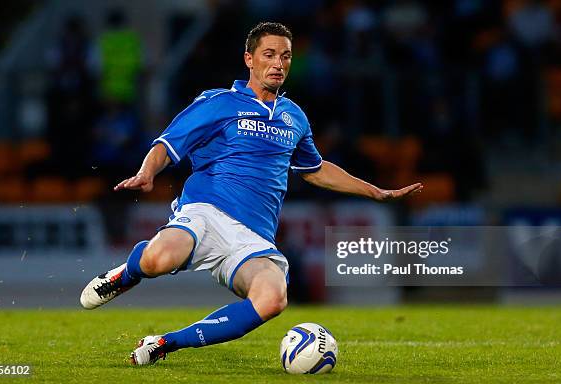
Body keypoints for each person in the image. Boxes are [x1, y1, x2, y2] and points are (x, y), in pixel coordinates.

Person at [80, 22, 422, 365]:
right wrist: (146, 172)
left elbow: (314, 169)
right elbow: (168, 144)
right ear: (250, 59)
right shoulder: (218, 102)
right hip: (205, 214)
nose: (278, 63)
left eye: (285, 56)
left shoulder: (294, 117)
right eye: (269, 55)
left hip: (254, 236)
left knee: (273, 299)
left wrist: (374, 191)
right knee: (158, 260)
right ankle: (125, 275)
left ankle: (165, 344)